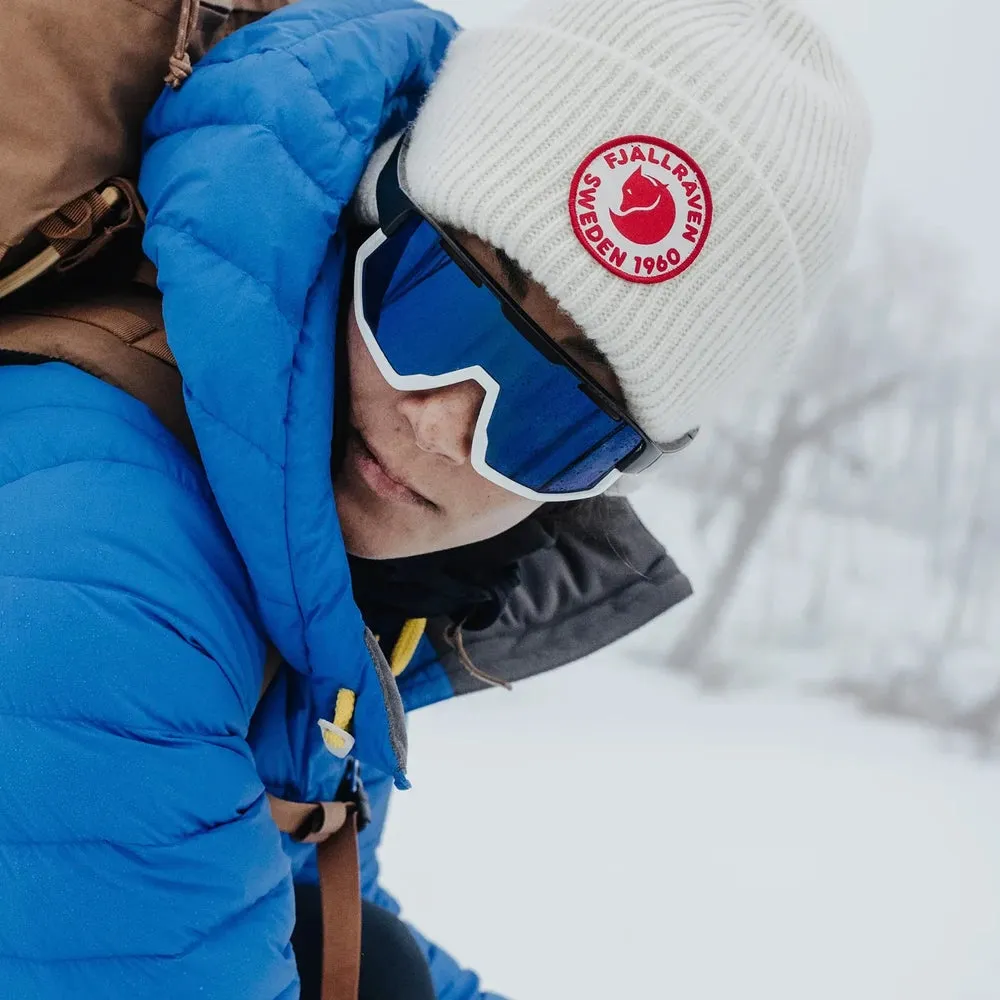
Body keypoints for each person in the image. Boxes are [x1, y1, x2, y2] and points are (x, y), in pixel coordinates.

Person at [0, 0, 870, 997]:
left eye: (554, 412)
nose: (438, 424)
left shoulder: (312, 576)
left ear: (606, 478)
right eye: (437, 302)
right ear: (369, 211)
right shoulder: (109, 603)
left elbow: (308, 896)